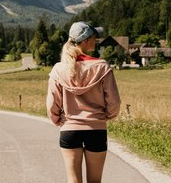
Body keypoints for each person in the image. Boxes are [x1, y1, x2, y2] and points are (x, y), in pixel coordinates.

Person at [46, 21, 121, 183]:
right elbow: (114, 103)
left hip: (69, 131)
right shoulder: (102, 67)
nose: (96, 40)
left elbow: (52, 104)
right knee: (95, 181)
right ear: (86, 40)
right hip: (96, 130)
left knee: (73, 181)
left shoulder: (58, 69)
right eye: (94, 37)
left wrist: (59, 121)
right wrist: (104, 117)